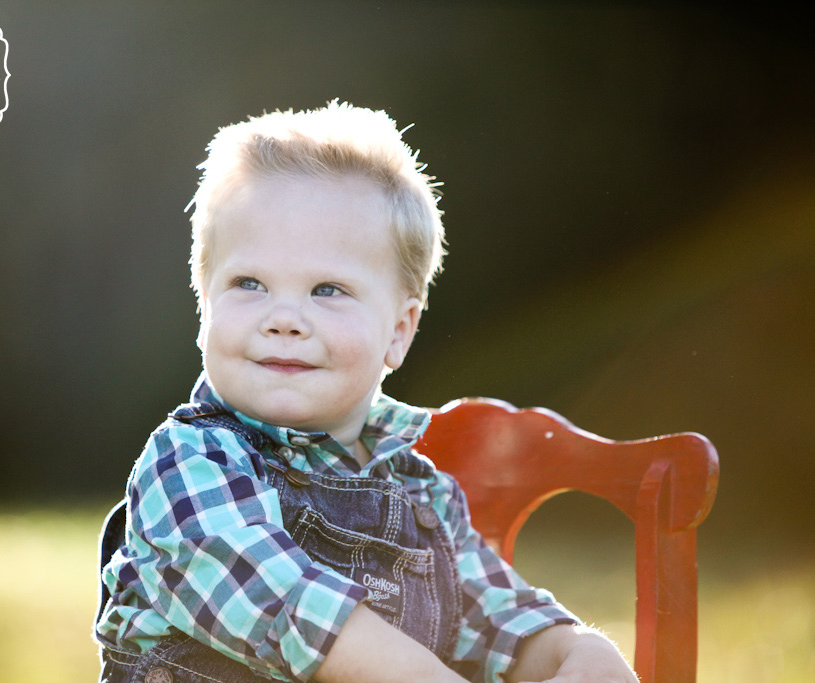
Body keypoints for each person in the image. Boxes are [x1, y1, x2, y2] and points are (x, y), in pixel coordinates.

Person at [94, 101, 638, 683]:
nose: (283, 318)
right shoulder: (189, 463)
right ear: (205, 303)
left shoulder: (424, 498)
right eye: (248, 283)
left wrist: (579, 653)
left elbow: (503, 621)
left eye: (327, 290)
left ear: (398, 332)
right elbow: (291, 609)